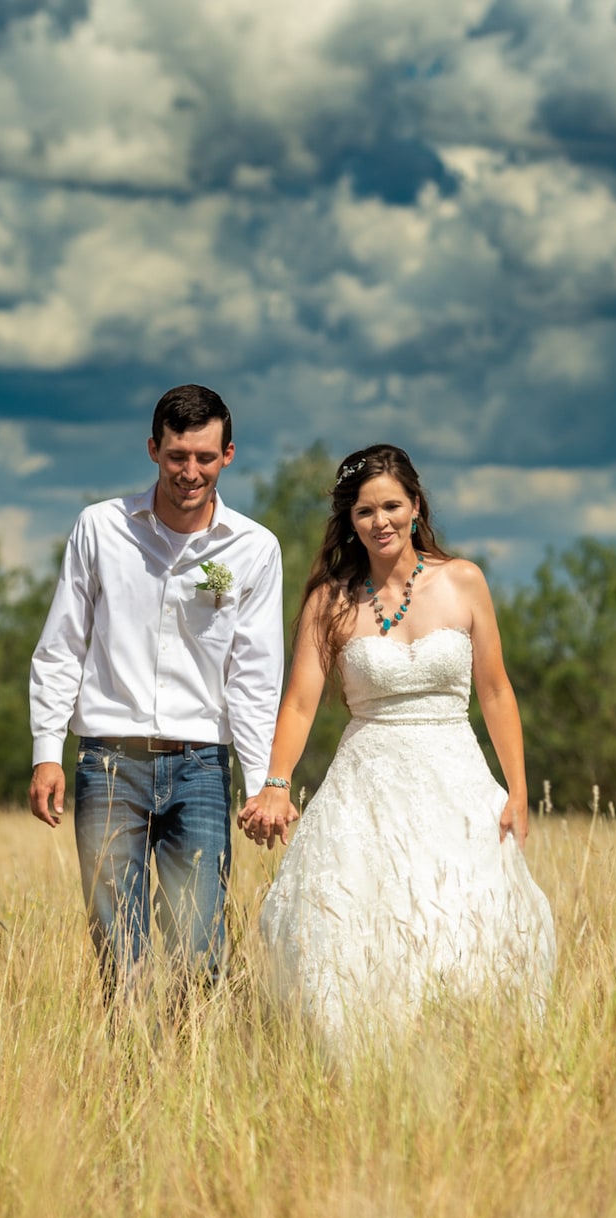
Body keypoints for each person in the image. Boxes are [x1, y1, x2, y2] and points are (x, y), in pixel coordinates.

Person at [239, 444, 555, 1053]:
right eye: (364, 511)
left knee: (462, 918)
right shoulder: (329, 601)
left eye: (391, 506)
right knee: (357, 924)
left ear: (415, 508)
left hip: (455, 776)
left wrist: (517, 788)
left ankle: (470, 1056)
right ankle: (360, 1066)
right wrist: (276, 783)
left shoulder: (464, 581)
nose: (379, 521)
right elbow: (301, 702)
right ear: (349, 522)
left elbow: (494, 689)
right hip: (367, 786)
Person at [28, 384, 284, 1000]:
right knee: (121, 951)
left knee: (199, 949)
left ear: (227, 455)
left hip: (200, 767)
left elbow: (255, 675)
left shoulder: (253, 549)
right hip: (107, 763)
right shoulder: (100, 527)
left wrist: (261, 781)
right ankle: (130, 1084)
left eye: (202, 456)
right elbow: (62, 644)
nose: (188, 471)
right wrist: (45, 749)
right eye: (176, 456)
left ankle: (192, 1079)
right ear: (152, 450)